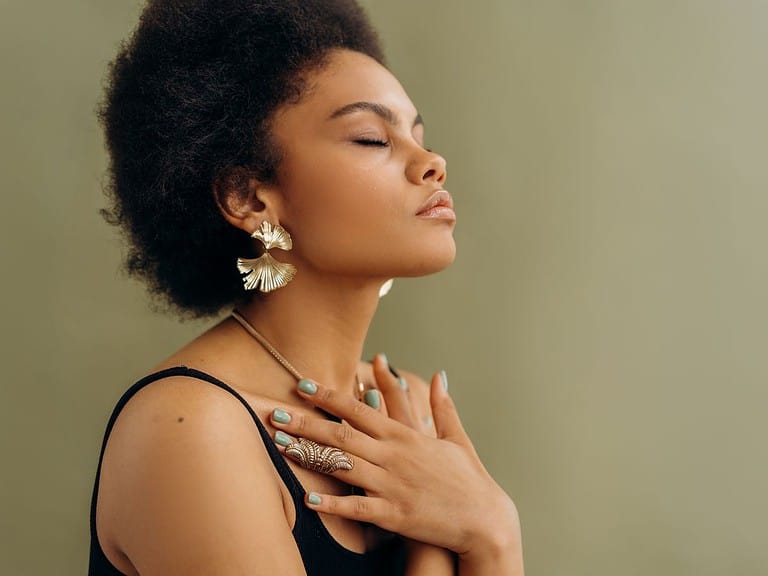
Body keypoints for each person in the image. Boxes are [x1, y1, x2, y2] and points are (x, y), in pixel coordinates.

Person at [88, 1, 524, 574]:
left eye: (419, 136)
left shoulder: (405, 406)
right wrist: (465, 533)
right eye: (371, 138)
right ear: (249, 197)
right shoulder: (191, 430)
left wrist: (491, 531)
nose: (432, 162)